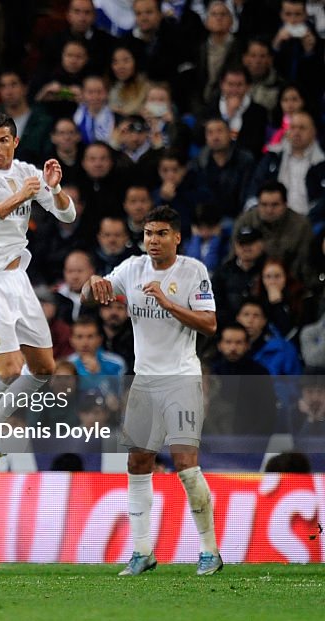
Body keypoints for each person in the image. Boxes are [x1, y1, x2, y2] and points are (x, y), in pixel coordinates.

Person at [82, 205, 223, 577]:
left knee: (184, 464)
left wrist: (168, 302)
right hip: (144, 381)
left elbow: (209, 324)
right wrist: (92, 283)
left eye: (161, 233)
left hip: (181, 378)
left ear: (177, 237)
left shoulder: (193, 272)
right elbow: (88, 297)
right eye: (148, 234)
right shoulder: (131, 268)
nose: (153, 240)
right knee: (137, 462)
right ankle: (142, 551)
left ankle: (209, 551)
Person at [0, 112, 76, 462]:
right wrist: (22, 195)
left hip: (17, 280)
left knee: (43, 369)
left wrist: (54, 189)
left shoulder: (26, 171)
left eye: (3, 140)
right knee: (8, 368)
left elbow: (67, 216)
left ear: (15, 142)